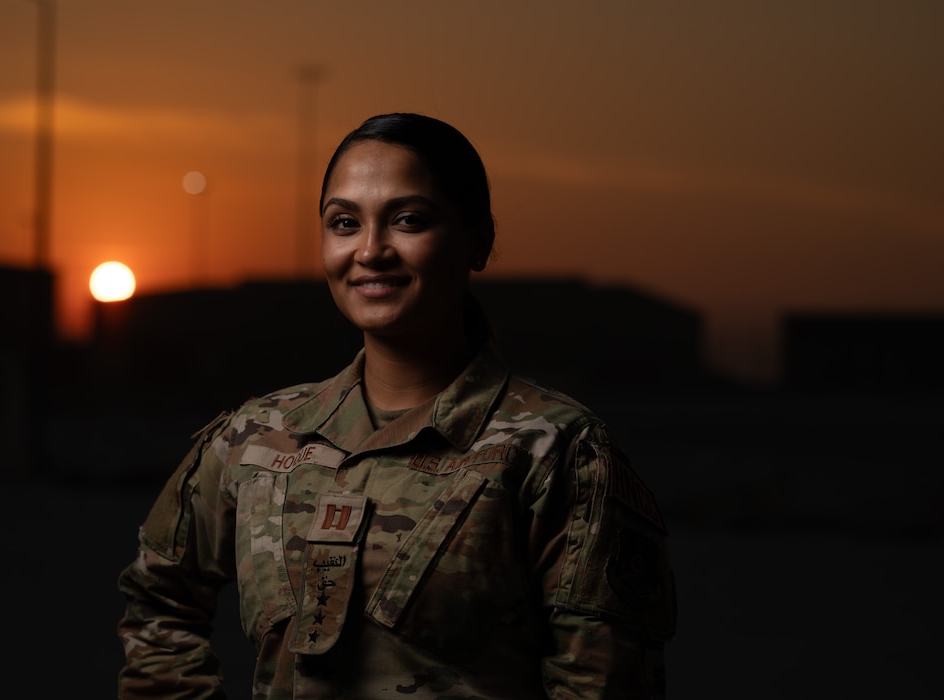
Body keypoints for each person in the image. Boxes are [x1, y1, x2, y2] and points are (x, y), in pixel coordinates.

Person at [117, 112, 676, 699]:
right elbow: (159, 599)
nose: (370, 250)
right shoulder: (257, 436)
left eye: (408, 220)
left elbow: (603, 683)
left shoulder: (555, 450)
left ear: (478, 240)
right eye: (344, 223)